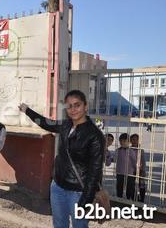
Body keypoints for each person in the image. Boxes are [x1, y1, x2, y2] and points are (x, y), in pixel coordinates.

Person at [19, 90, 105, 228]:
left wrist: (85, 201)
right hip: (58, 187)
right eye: (69, 106)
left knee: (79, 226)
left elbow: (95, 172)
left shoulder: (95, 135)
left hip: (78, 192)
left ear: (86, 106)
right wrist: (27, 110)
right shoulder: (66, 125)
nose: (73, 109)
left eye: (77, 105)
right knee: (59, 225)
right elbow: (45, 123)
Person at [115, 133, 137, 200]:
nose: (122, 142)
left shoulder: (131, 151)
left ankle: (129, 201)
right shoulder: (118, 150)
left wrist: (136, 171)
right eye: (121, 141)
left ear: (129, 142)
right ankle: (119, 200)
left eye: (124, 141)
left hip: (129, 174)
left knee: (129, 189)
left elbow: (134, 162)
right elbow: (113, 159)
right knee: (119, 188)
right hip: (119, 173)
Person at [130, 133, 146, 202]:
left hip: (140, 170)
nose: (135, 141)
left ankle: (141, 200)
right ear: (130, 141)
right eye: (133, 139)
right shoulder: (129, 149)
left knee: (141, 186)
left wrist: (142, 170)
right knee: (132, 186)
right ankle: (133, 199)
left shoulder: (141, 150)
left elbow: (143, 161)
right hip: (132, 171)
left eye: (136, 140)